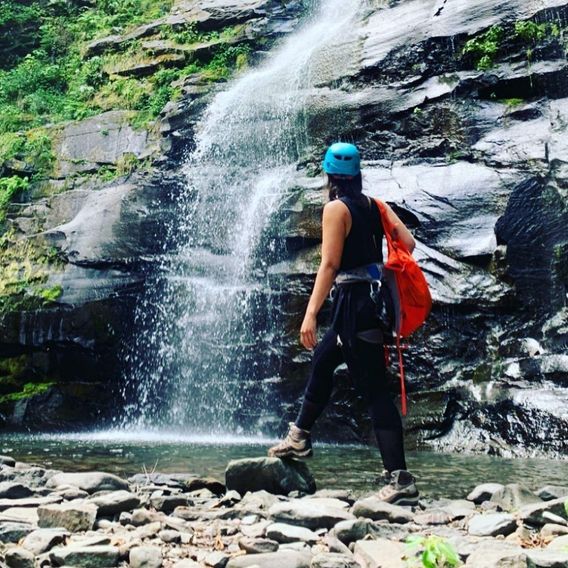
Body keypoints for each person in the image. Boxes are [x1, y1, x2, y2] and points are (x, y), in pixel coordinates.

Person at [268, 142, 419, 506]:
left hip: (353, 304)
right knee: (322, 359)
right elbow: (409, 244)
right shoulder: (375, 205)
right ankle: (300, 437)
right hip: (364, 302)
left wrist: (309, 314)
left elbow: (330, 264)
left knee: (375, 391)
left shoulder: (336, 208)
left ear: (329, 174)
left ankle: (400, 479)